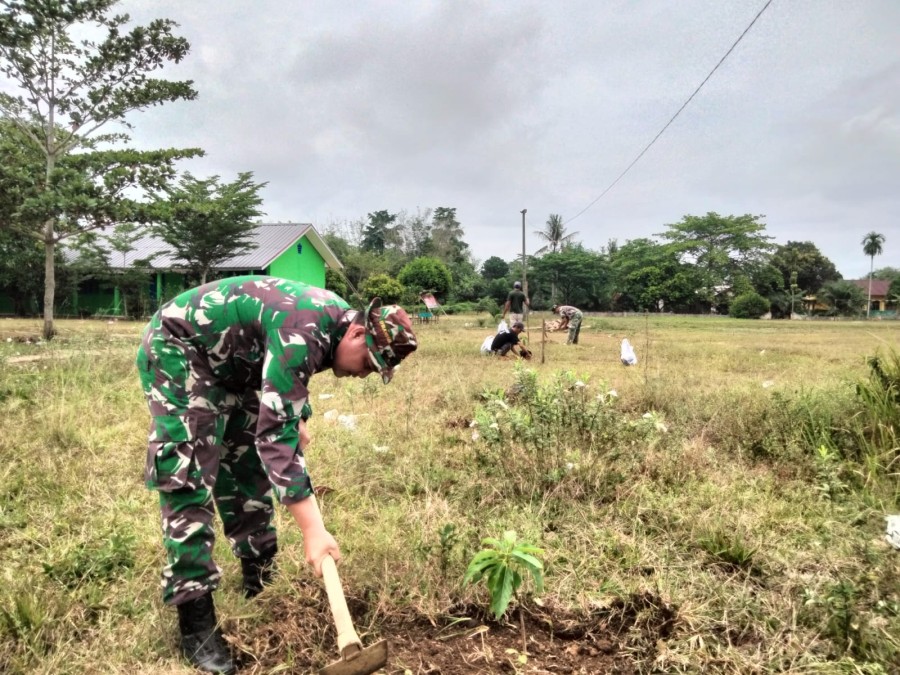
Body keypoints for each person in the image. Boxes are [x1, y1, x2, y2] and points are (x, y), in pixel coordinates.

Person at [136, 275, 418, 674]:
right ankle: (194, 616)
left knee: (248, 465)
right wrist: (313, 530)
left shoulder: (332, 323)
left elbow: (286, 373)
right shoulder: (307, 325)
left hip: (237, 366)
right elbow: (277, 432)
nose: (364, 375)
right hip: (182, 349)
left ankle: (259, 573)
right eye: (369, 364)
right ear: (357, 333)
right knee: (189, 474)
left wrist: (297, 414)